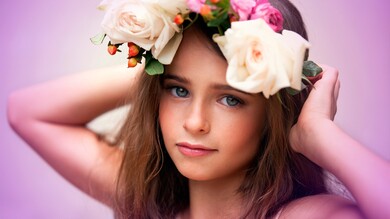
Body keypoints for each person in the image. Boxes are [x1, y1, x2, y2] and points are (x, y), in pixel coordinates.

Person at [6, 0, 390, 218]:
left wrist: (318, 134)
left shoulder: (306, 218)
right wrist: (160, 61)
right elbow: (26, 110)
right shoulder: (150, 206)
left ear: (274, 113)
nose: (194, 123)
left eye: (230, 99)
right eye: (178, 91)